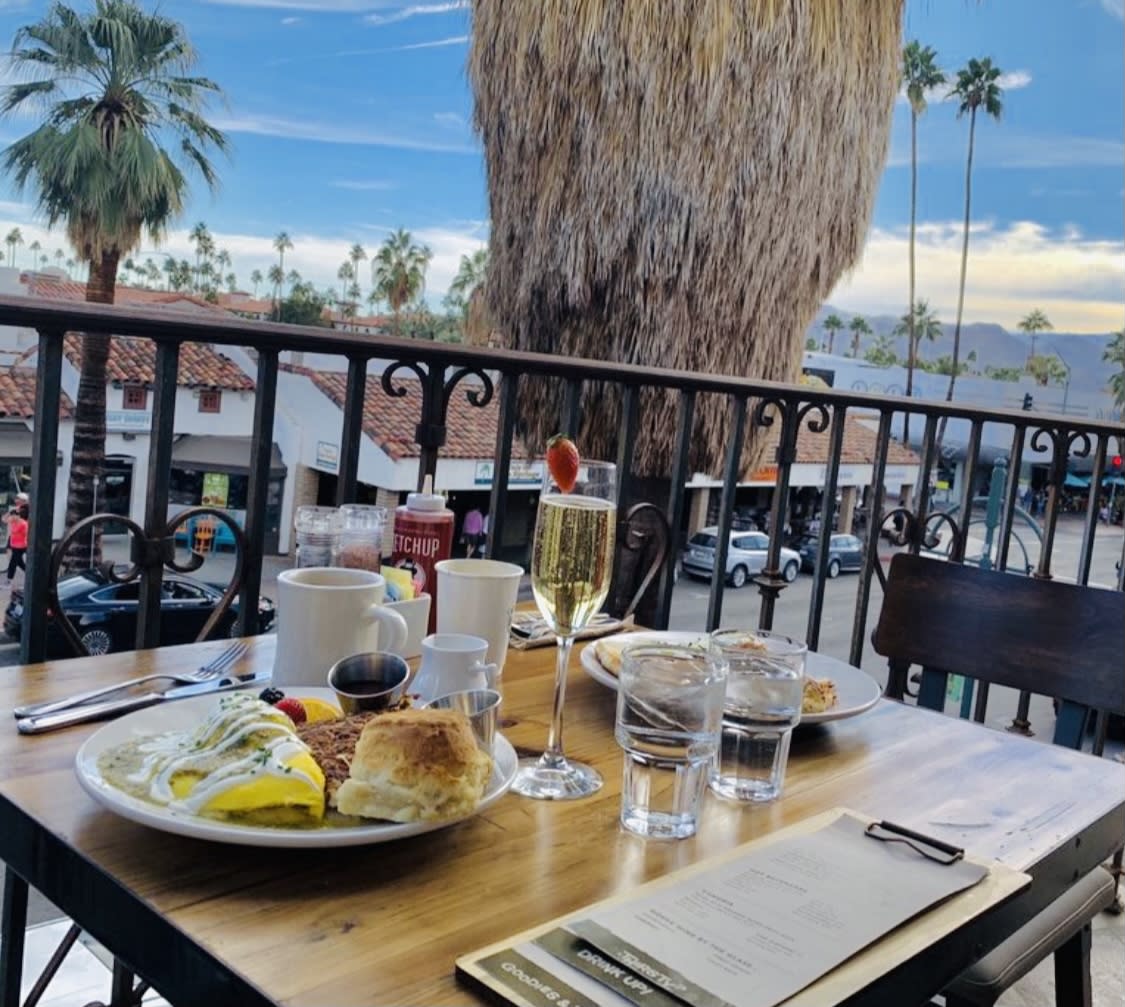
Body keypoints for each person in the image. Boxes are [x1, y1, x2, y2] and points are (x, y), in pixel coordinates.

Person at [4, 501, 28, 587]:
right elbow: (3, 519)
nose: (12, 517)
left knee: (13, 562)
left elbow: (26, 534)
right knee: (19, 562)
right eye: (12, 515)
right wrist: (9, 513)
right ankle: (29, 572)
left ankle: (9, 581)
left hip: (21, 546)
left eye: (14, 515)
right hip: (14, 545)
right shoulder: (13, 521)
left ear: (18, 516)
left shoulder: (23, 524)